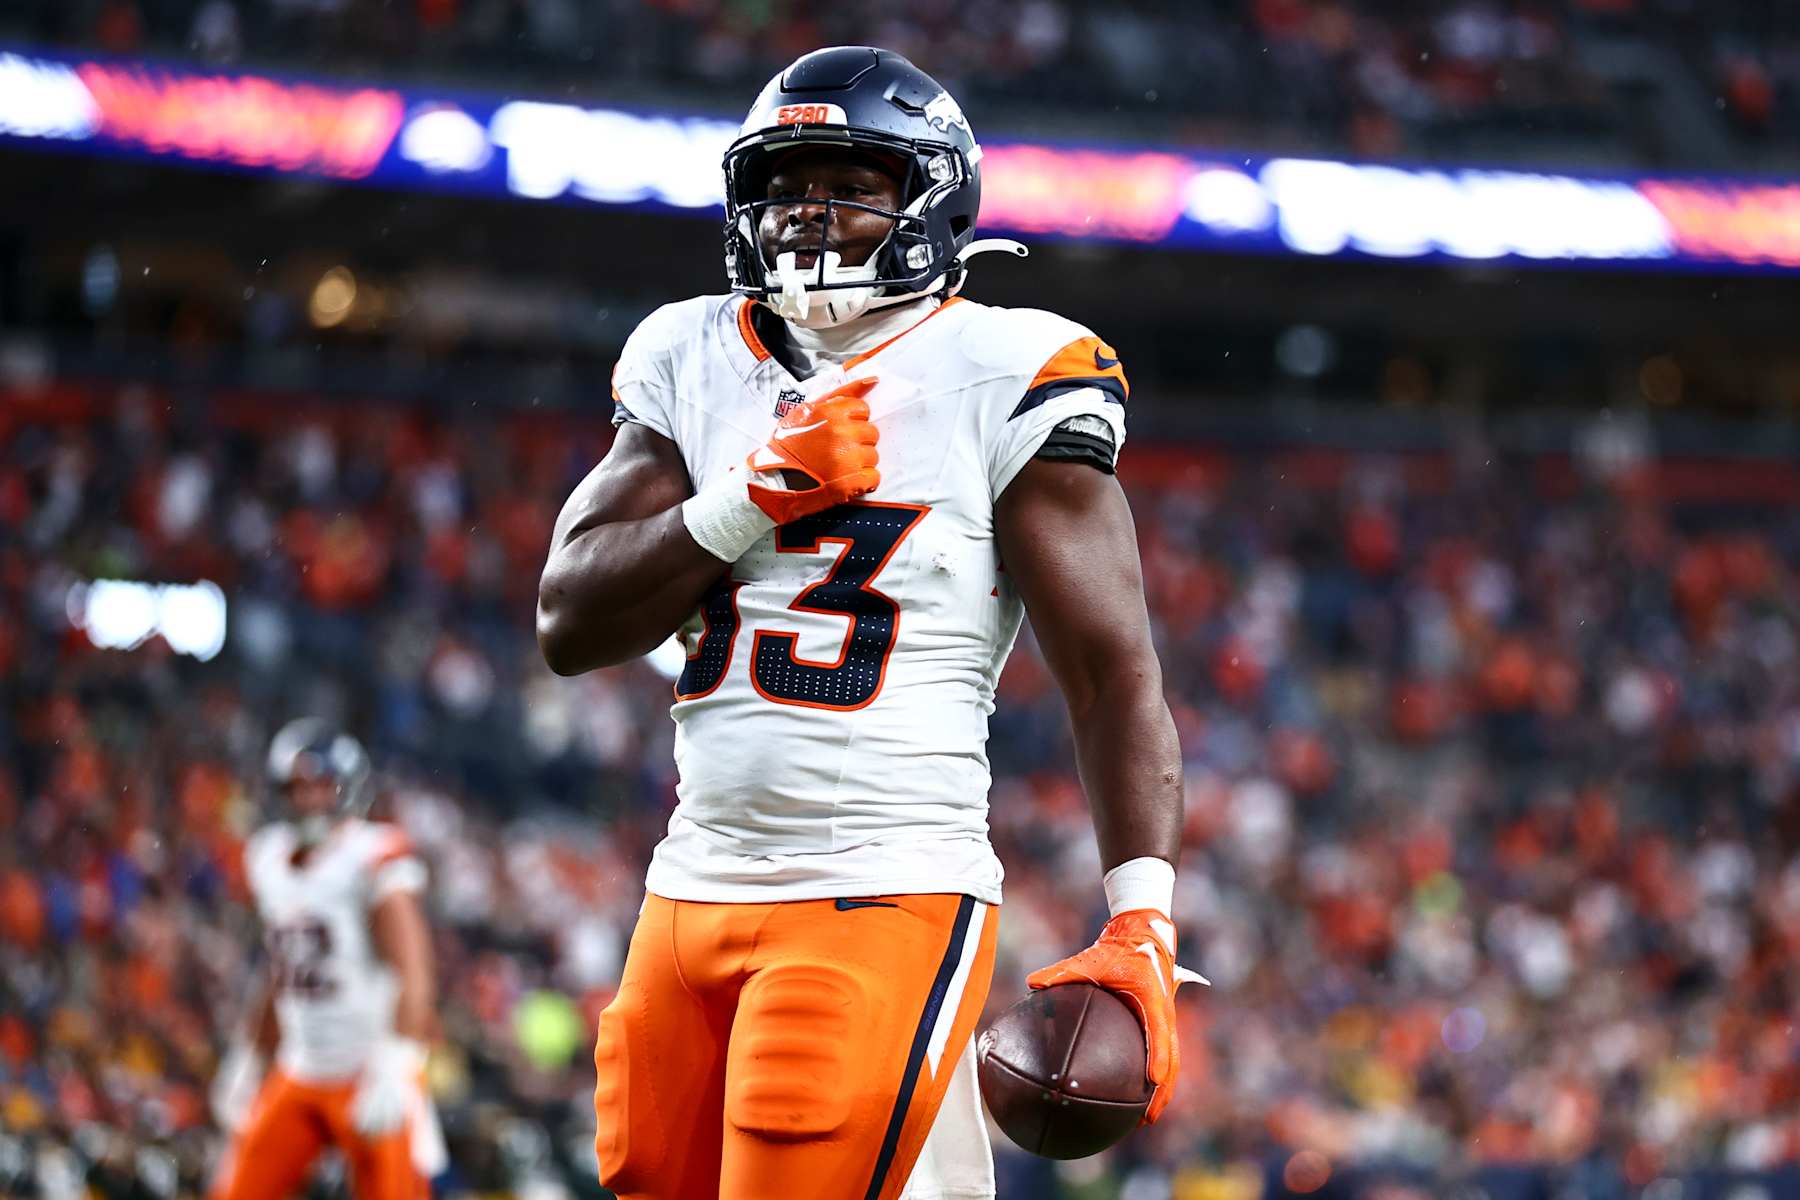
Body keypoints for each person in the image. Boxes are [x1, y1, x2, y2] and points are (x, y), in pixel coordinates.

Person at [537, 45, 1204, 1200]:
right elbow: (569, 618)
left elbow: (1112, 676)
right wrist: (749, 495)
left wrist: (1142, 918)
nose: (810, 213)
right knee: (648, 1179)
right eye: (788, 185)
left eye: (852, 185)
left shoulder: (1006, 367)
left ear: (932, 197)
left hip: (878, 880)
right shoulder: (689, 352)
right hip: (689, 878)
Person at [209, 719, 445, 1200]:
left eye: (321, 785)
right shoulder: (269, 859)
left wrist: (398, 1062)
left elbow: (415, 973)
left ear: (347, 788)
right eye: (296, 787)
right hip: (301, 1067)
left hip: (370, 1071)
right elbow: (285, 969)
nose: (309, 799)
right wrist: (249, 1054)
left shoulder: (369, 855)